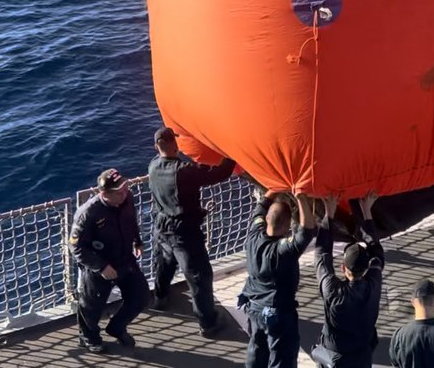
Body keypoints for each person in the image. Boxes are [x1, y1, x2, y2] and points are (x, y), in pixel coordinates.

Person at [147, 126, 237, 336]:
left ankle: (160, 298)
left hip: (161, 227)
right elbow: (221, 173)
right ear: (176, 144)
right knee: (199, 276)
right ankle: (208, 323)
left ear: (156, 147)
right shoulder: (184, 171)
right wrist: (232, 153)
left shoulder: (152, 165)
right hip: (183, 233)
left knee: (164, 264)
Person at [70, 169, 148, 353]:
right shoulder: (88, 213)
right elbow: (76, 247)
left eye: (125, 188)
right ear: (104, 194)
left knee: (140, 296)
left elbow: (131, 221)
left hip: (125, 259)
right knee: (91, 307)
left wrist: (137, 241)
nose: (125, 193)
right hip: (100, 268)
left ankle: (117, 327)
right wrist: (101, 266)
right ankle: (88, 337)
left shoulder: (127, 198)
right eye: (119, 192)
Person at [240, 190, 317, 368]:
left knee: (257, 347)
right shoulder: (282, 252)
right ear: (287, 225)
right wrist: (300, 197)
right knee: (283, 356)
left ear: (267, 219)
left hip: (253, 307)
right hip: (276, 314)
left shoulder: (254, 235)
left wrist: (272, 189)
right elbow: (307, 231)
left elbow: (260, 208)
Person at [312, 192, 384, 367]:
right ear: (366, 268)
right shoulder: (372, 284)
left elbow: (321, 254)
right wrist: (367, 212)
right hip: (361, 356)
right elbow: (377, 253)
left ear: (343, 268)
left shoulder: (332, 290)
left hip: (334, 357)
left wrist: (329, 212)